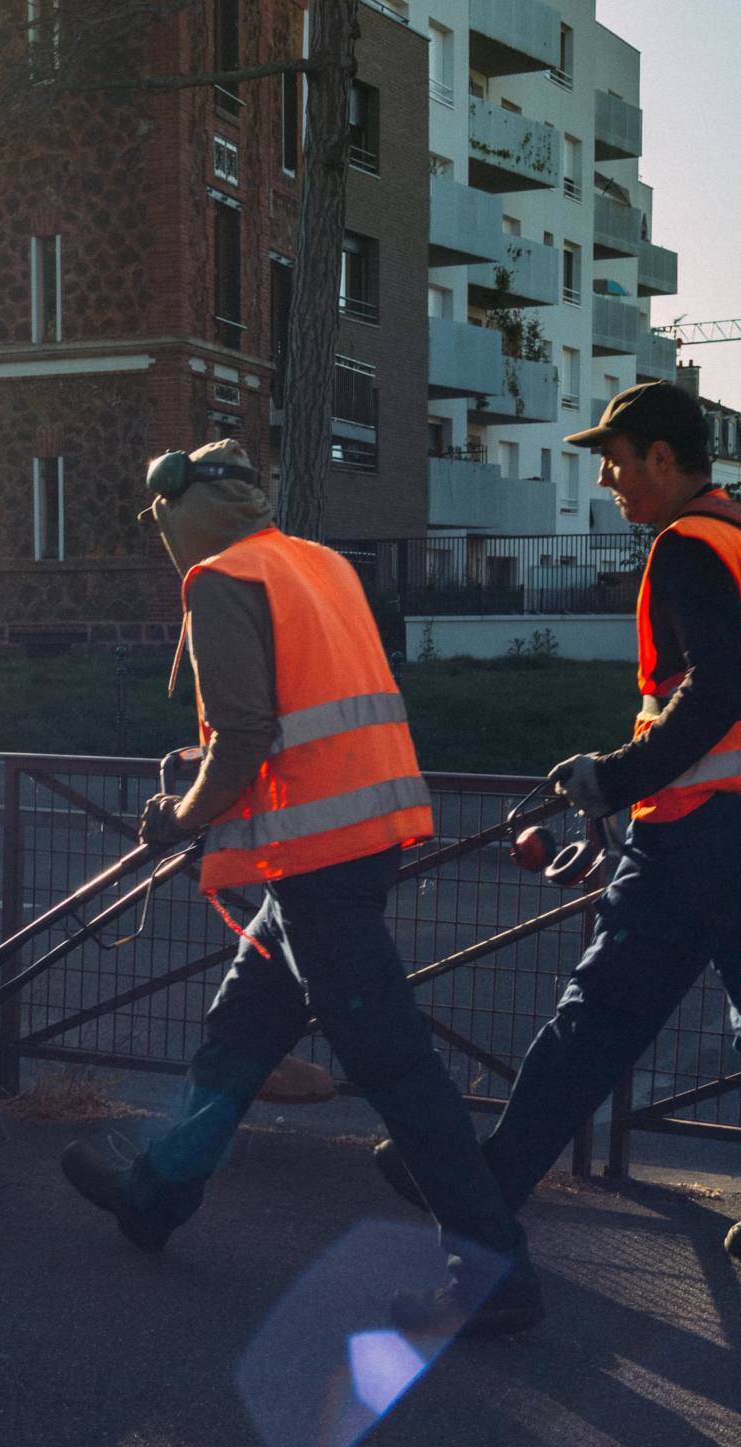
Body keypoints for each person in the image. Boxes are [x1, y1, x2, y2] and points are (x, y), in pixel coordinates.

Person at [378, 382, 741, 1334]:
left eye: (615, 458)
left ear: (663, 457)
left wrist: (614, 777)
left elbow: (718, 688)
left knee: (596, 1018)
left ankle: (481, 1219)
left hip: (698, 822)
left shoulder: (690, 545)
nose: (606, 477)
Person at [58, 440, 543, 1340]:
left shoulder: (219, 580)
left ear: (186, 513)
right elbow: (303, 715)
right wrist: (213, 781)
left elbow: (244, 738)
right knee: (240, 1034)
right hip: (356, 841)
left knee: (397, 1067)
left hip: (317, 860)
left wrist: (182, 814)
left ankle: (493, 1270)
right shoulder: (317, 564)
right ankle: (154, 1196)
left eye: (162, 522)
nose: (163, 540)